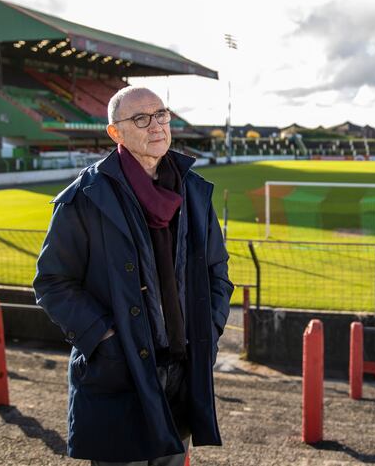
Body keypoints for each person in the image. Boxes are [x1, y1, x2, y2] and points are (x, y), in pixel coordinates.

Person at [33, 86, 233, 465]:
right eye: (141, 118)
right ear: (116, 133)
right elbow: (52, 283)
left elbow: (217, 271)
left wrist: (211, 326)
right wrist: (106, 338)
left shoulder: (193, 191)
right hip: (118, 377)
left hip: (181, 375)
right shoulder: (86, 197)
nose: (156, 125)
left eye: (161, 114)